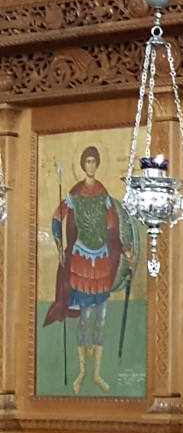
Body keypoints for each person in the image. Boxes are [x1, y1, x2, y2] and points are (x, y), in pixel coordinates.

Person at [43, 146, 134, 394]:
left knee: (101, 319)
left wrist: (125, 250)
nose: (91, 165)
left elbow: (113, 229)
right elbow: (56, 218)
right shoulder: (74, 194)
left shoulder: (104, 195)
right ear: (83, 165)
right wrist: (59, 245)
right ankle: (82, 372)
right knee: (85, 319)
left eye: (95, 161)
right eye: (88, 161)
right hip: (82, 261)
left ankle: (96, 373)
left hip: (101, 261)